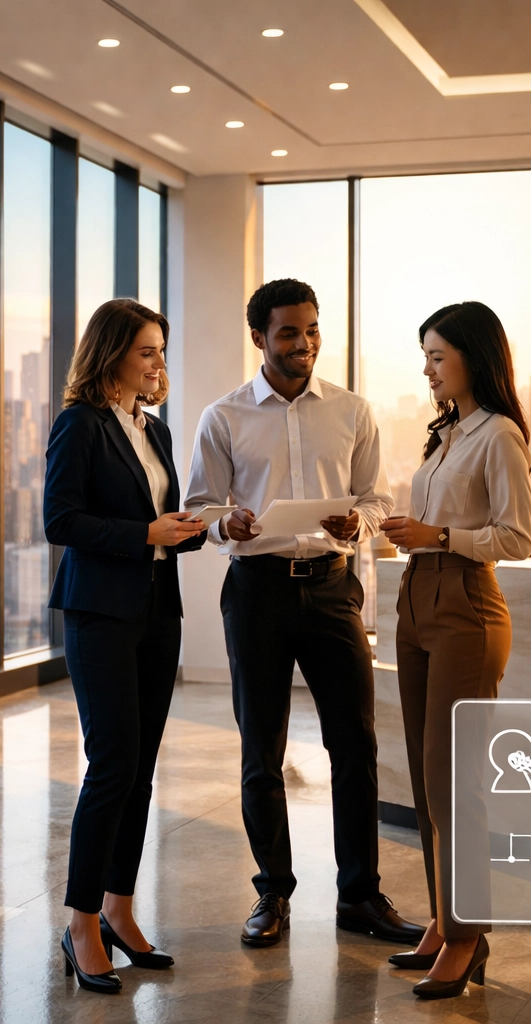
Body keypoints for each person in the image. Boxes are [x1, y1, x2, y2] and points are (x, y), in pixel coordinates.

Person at [184, 278, 424, 950]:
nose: (304, 344)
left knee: (355, 747)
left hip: (331, 587)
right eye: (289, 332)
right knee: (261, 753)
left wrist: (360, 520)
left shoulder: (353, 411)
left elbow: (376, 498)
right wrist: (223, 522)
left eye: (312, 330)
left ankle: (360, 897)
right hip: (256, 590)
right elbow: (199, 506)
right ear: (259, 337)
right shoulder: (223, 416)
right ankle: (272, 895)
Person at [45, 298, 208, 994]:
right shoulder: (78, 424)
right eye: (146, 351)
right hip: (100, 613)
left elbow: (163, 521)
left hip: (156, 613)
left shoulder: (157, 430)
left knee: (140, 769)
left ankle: (120, 908)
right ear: (112, 353)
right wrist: (144, 536)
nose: (158, 363)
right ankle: (80, 922)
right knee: (111, 764)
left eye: (161, 351)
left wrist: (204, 527)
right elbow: (62, 519)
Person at [379, 301, 531, 1000]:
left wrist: (438, 537)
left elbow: (517, 537)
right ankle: (444, 919)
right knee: (423, 778)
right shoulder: (445, 434)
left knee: (456, 785)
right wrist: (409, 534)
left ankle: (468, 936)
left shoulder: (499, 435)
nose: (429, 368)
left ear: (474, 356)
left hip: (467, 606)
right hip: (417, 600)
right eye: (426, 356)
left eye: (438, 355)